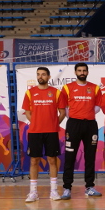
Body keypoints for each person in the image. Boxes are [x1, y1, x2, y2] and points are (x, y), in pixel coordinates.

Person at [22, 66, 66, 202]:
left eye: (43, 74)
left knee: (52, 160)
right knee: (34, 160)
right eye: (38, 74)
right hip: (35, 132)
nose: (40, 76)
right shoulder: (30, 93)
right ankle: (33, 192)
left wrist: (54, 124)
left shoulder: (56, 93)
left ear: (49, 77)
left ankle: (54, 191)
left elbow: (62, 112)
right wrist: (36, 122)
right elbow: (27, 113)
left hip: (51, 132)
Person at [60, 62, 102, 200]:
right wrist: (75, 116)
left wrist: (86, 114)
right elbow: (64, 107)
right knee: (70, 157)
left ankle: (89, 187)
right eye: (79, 70)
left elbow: (98, 107)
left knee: (90, 156)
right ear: (75, 72)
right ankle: (67, 188)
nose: (82, 73)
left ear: (87, 72)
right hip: (73, 125)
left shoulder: (95, 88)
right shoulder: (67, 88)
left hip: (90, 125)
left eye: (84, 70)